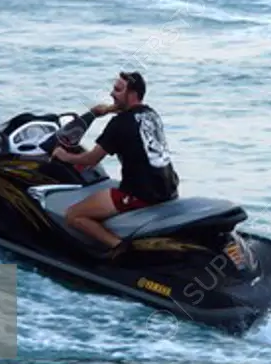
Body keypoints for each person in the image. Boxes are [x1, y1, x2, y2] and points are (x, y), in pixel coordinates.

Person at [51, 72, 179, 259]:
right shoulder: (151, 114)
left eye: (118, 90)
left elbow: (91, 160)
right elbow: (131, 118)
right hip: (168, 188)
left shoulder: (119, 124)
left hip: (139, 194)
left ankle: (120, 248)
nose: (112, 93)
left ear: (133, 94)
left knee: (74, 215)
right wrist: (105, 110)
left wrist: (64, 156)